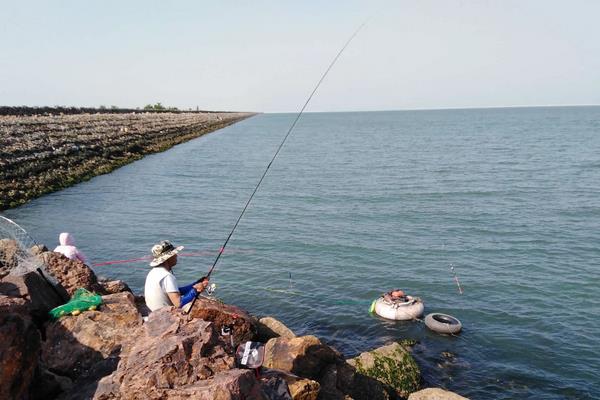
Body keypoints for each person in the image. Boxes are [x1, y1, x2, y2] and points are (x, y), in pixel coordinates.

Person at [144, 240, 210, 312]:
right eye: (173, 254)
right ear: (167, 259)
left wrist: (196, 283)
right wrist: (195, 290)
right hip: (164, 316)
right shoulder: (167, 276)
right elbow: (178, 303)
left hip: (152, 313)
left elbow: (176, 291)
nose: (176, 255)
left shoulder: (154, 272)